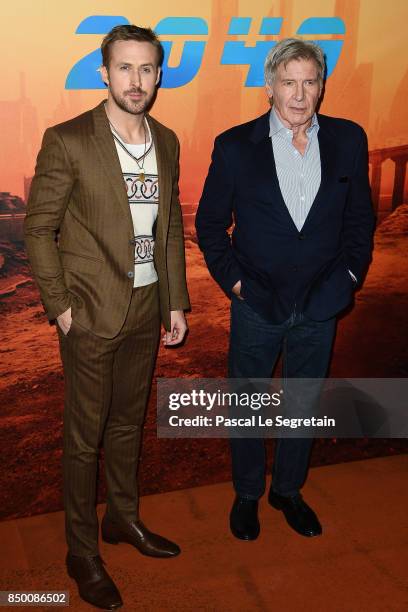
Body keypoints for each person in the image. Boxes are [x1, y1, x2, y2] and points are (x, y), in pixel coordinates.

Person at [25, 24, 190, 610]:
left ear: (159, 75)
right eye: (125, 68)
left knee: (127, 425)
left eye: (147, 69)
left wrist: (174, 299)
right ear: (104, 72)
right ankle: (81, 551)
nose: (137, 81)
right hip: (90, 313)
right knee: (83, 437)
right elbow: (38, 230)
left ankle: (123, 520)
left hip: (147, 307)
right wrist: (61, 308)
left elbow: (168, 226)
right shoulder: (68, 139)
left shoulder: (167, 140)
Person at [196, 38, 374, 542]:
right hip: (256, 303)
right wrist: (235, 282)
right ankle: (249, 493)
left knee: (303, 400)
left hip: (322, 304)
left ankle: (288, 490)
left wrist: (350, 278)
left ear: (321, 86)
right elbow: (210, 226)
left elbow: (360, 220)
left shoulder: (348, 139)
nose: (299, 94)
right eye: (288, 82)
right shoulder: (235, 146)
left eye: (309, 81)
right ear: (269, 86)